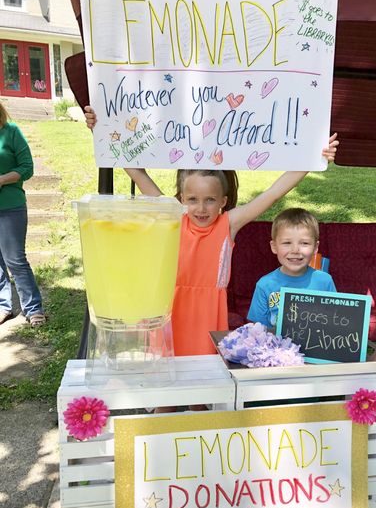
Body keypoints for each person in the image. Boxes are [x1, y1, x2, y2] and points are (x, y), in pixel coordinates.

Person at [84, 107, 337, 355]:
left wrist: (315, 158)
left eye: (210, 200)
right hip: (172, 309)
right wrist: (102, 129)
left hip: (208, 314)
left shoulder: (228, 224)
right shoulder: (173, 215)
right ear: (181, 198)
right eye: (192, 199)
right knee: (167, 377)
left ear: (223, 201)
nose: (201, 208)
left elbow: (272, 193)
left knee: (205, 382)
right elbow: (138, 174)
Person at [247, 207, 336, 328]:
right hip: (276, 346)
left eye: (304, 243)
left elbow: (334, 323)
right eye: (287, 243)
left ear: (315, 247)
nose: (295, 250)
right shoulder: (265, 285)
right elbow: (259, 330)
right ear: (274, 246)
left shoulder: (325, 281)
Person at [0, 101, 46, 327]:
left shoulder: (11, 132)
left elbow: (27, 167)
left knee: (15, 260)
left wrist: (1, 180)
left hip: (10, 206)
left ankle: (33, 308)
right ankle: (3, 306)